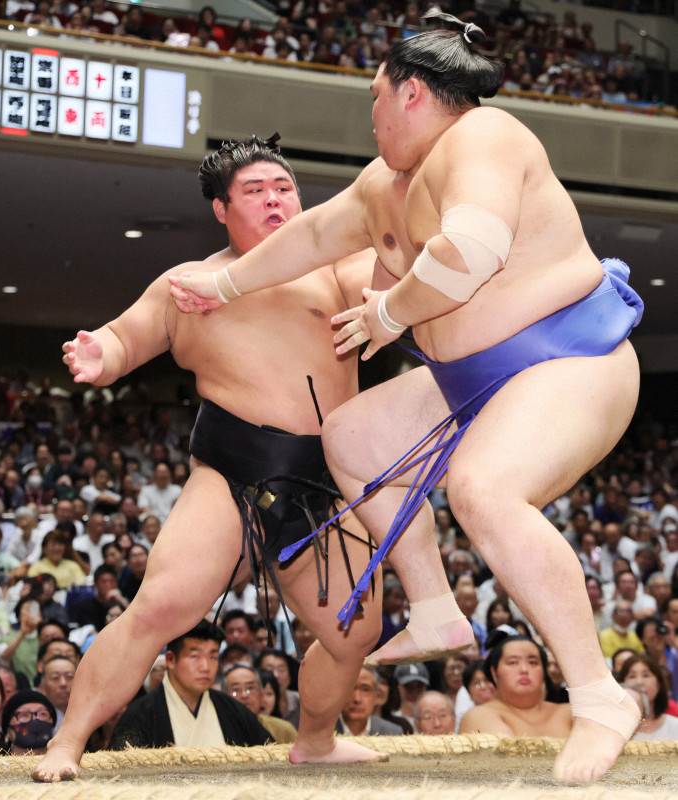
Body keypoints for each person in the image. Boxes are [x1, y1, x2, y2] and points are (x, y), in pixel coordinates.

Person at [171, 11, 643, 782]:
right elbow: (311, 238)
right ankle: (433, 606)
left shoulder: (486, 138)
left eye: (376, 98)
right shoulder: (382, 184)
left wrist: (389, 313)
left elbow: (472, 250)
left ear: (411, 93)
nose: (373, 114)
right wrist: (222, 285)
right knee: (353, 435)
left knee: (484, 490)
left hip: (569, 360)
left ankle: (599, 696)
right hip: (471, 381)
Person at [33, 134, 391, 783]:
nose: (275, 200)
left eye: (284, 188)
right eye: (255, 191)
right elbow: (126, 337)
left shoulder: (337, 267)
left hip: (324, 482)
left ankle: (315, 739)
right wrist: (101, 354)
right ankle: (68, 742)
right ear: (222, 209)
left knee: (355, 631)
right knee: (159, 608)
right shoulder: (188, 285)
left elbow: (393, 283)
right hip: (231, 474)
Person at [109, 622, 271, 749]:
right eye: (195, 656)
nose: (205, 667)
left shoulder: (233, 710)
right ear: (170, 660)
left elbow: (269, 755)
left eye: (213, 657)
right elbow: (121, 773)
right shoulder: (140, 715)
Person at [460, 636, 571, 737]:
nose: (524, 669)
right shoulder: (479, 716)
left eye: (533, 662)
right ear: (494, 673)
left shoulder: (568, 713)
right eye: (513, 662)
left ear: (544, 671)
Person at [223, 662, 297, 743]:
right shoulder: (219, 729)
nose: (244, 695)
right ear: (224, 696)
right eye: (235, 690)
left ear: (261, 694)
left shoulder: (283, 730)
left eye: (250, 688)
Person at [619, 655, 678, 741]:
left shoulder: (675, 726)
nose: (639, 682)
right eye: (632, 676)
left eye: (646, 675)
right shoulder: (614, 729)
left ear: (658, 684)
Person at [337, 666, 404, 736]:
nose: (357, 699)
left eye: (365, 690)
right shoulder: (328, 729)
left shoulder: (392, 732)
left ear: (376, 696)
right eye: (350, 688)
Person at [0, 690, 57, 755]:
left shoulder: (64, 759)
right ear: (8, 726)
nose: (35, 719)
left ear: (51, 720)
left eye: (42, 714)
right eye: (24, 715)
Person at [39, 656, 76, 734]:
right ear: (42, 687)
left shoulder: (92, 716)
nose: (63, 683)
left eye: (69, 677)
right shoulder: (37, 719)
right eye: (55, 678)